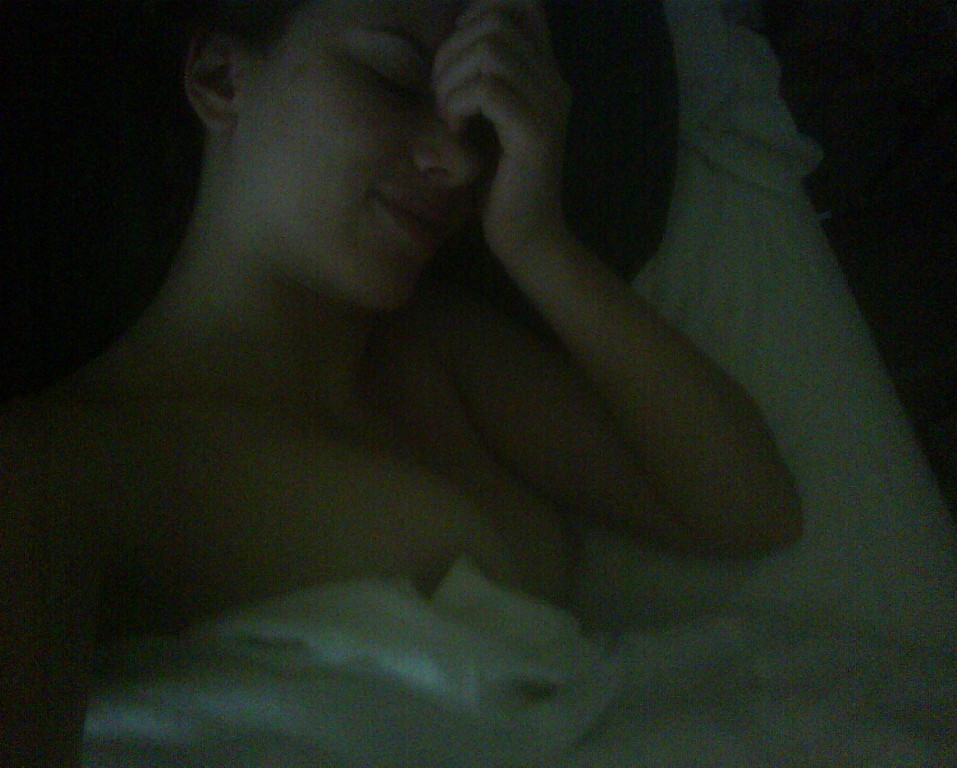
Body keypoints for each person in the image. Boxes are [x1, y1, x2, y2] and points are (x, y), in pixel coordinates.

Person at [0, 0, 802, 763]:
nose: (458, 163)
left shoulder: (444, 354)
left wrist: (537, 239)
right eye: (392, 79)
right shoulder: (61, 467)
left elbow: (747, 510)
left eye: (479, 122)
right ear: (221, 77)